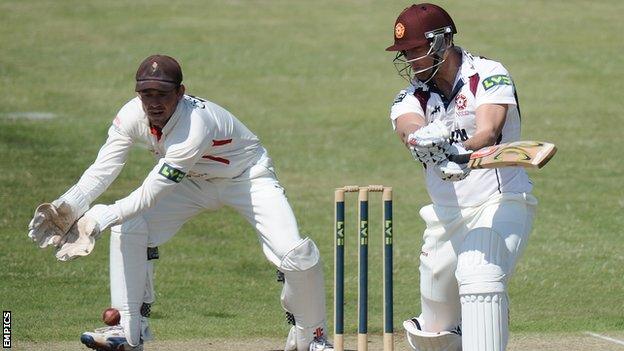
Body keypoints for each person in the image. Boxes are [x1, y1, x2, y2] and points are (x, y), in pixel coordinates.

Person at [27, 54, 333, 351]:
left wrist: (98, 219)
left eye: (162, 94)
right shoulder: (132, 115)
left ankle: (313, 337)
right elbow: (102, 169)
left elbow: (150, 193)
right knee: (131, 225)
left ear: (180, 93)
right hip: (193, 181)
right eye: (146, 94)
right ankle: (128, 330)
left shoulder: (193, 126)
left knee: (297, 254)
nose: (154, 103)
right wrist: (67, 206)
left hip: (247, 178)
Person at [386, 4, 537, 351]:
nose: (409, 59)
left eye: (414, 50)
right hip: (444, 217)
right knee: (433, 334)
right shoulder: (412, 95)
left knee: (479, 274)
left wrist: (460, 151)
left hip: (500, 202)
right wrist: (420, 137)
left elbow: (489, 130)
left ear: (441, 41)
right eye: (404, 52)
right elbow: (408, 125)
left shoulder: (488, 73)